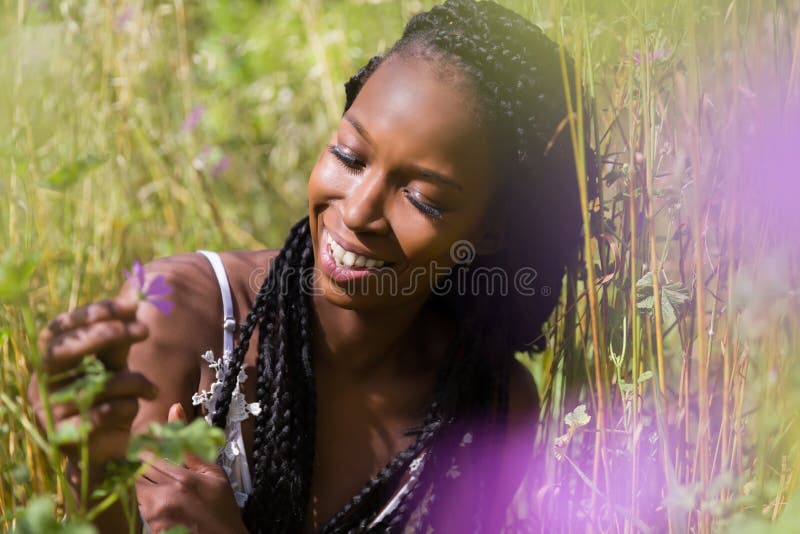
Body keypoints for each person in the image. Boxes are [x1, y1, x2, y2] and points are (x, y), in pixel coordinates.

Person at [29, 0, 593, 531]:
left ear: (491, 228)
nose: (358, 209)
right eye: (349, 156)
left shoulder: (490, 407)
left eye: (422, 197)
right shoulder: (175, 317)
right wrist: (88, 466)